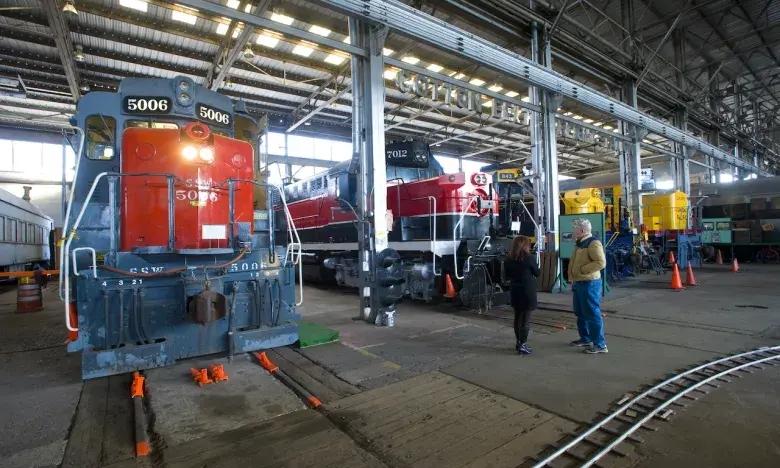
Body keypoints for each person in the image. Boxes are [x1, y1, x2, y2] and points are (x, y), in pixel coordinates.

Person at [567, 219, 608, 354]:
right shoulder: (580, 243)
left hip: (589, 283)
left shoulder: (593, 243)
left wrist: (583, 270)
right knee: (580, 312)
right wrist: (573, 277)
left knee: (591, 313)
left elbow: (601, 262)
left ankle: (600, 345)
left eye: (575, 228)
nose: (573, 231)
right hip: (580, 282)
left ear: (582, 230)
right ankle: (585, 338)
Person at [505, 235, 540, 355]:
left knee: (517, 317)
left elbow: (507, 275)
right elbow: (537, 273)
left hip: (515, 290)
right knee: (525, 319)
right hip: (527, 291)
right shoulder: (530, 258)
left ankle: (518, 343)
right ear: (525, 246)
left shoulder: (509, 259)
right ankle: (523, 345)